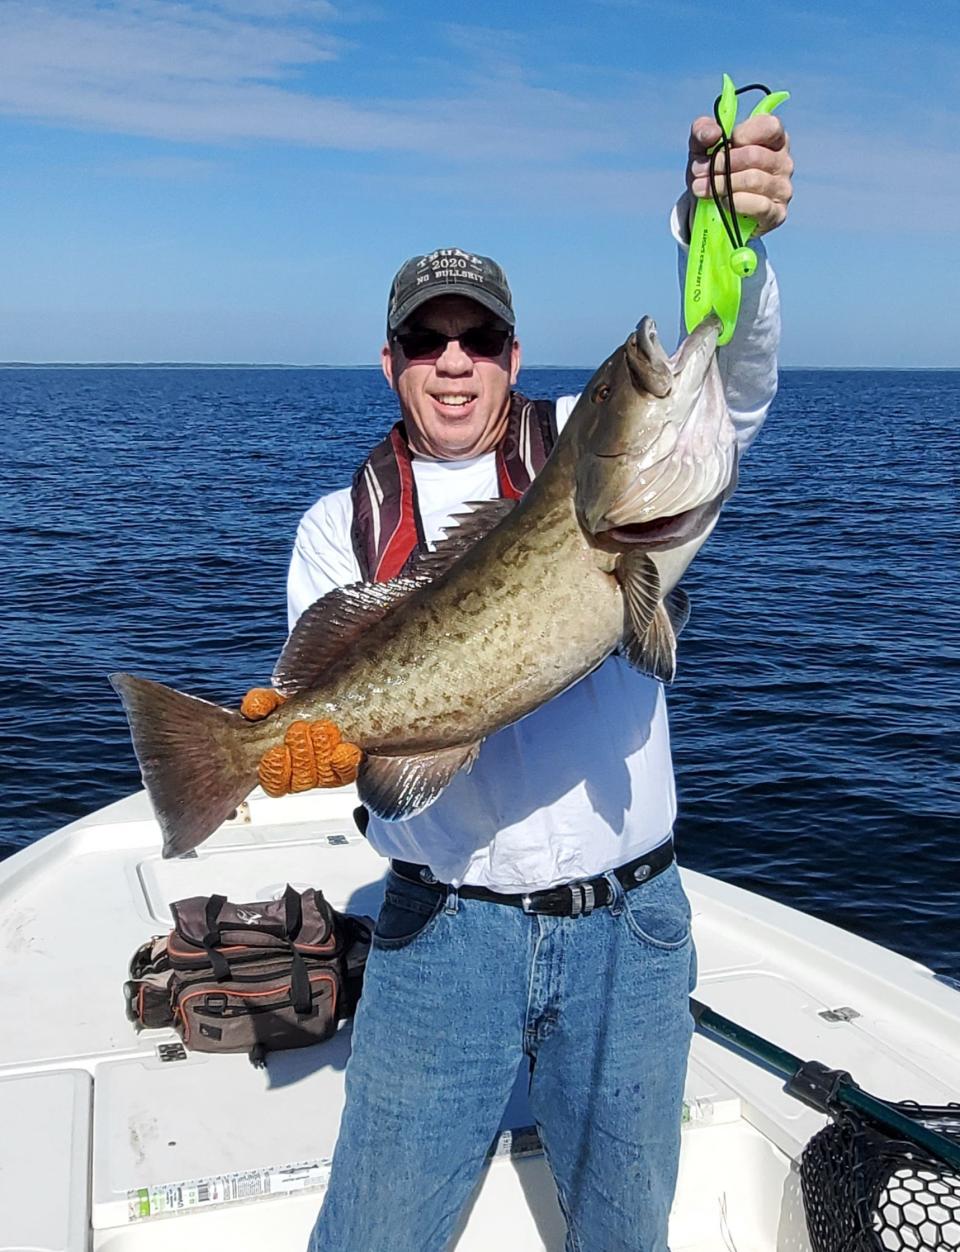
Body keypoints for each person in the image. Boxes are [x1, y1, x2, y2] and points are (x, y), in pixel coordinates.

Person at [289, 112, 793, 1252]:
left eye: (480, 337)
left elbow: (736, 384)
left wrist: (727, 231)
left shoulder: (585, 446)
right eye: (428, 339)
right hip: (441, 936)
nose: (455, 360)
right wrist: (292, 748)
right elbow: (333, 729)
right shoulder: (338, 528)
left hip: (631, 927)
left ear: (515, 358)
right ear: (393, 363)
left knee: (626, 1234)